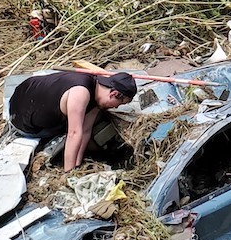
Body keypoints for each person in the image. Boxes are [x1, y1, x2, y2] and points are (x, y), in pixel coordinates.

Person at [8, 69, 138, 171]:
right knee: (75, 126)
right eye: (119, 103)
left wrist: (78, 164)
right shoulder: (81, 93)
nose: (116, 107)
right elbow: (74, 133)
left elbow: (85, 131)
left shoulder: (95, 85)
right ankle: (63, 161)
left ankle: (72, 162)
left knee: (86, 121)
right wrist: (69, 172)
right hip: (23, 123)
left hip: (24, 94)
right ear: (113, 94)